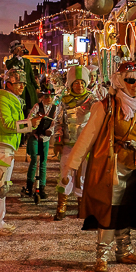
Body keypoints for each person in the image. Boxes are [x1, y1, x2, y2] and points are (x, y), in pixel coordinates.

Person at [61, 60, 136, 272]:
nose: (135, 85)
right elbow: (88, 136)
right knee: (109, 210)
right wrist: (71, 166)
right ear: (119, 81)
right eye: (130, 80)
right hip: (111, 166)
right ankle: (102, 255)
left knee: (127, 208)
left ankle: (124, 251)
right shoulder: (105, 106)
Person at [0, 68, 42, 235]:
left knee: (3, 187)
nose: (22, 87)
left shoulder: (12, 100)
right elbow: (7, 125)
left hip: (6, 147)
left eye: (23, 83)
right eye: (18, 84)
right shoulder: (3, 101)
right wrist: (29, 124)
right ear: (8, 84)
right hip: (0, 147)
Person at [54, 66, 98, 220]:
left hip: (85, 145)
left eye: (82, 83)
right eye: (76, 83)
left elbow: (99, 118)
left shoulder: (92, 100)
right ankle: (61, 207)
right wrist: (58, 141)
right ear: (71, 84)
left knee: (82, 176)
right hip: (68, 144)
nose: (79, 86)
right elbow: (58, 122)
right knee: (65, 174)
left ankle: (82, 206)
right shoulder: (63, 101)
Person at [21, 86, 57, 199]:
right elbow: (30, 117)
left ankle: (42, 187)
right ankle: (29, 186)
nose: (49, 99)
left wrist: (50, 131)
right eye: (46, 96)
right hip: (35, 136)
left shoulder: (55, 108)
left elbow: (55, 122)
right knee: (34, 160)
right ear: (42, 97)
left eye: (51, 96)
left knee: (43, 163)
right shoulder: (37, 106)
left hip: (45, 138)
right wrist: (33, 124)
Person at [5, 40, 37, 112]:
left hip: (28, 89)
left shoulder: (27, 61)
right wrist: (17, 57)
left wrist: (36, 87)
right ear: (14, 51)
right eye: (18, 49)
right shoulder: (10, 61)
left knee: (30, 110)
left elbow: (31, 75)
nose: (20, 50)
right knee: (20, 108)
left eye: (20, 48)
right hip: (18, 89)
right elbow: (9, 66)